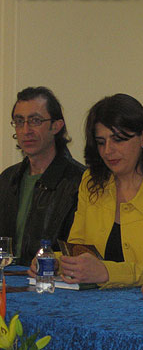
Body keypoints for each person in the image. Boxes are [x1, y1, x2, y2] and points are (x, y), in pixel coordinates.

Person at [30, 93, 143, 288]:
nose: (108, 150)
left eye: (118, 140)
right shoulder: (91, 182)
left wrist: (107, 272)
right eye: (101, 142)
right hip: (90, 301)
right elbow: (76, 248)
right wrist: (53, 261)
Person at [0, 86, 85, 265]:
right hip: (9, 283)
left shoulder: (79, 181)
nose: (26, 130)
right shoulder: (7, 179)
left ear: (56, 126)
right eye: (19, 121)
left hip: (53, 284)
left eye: (35, 121)